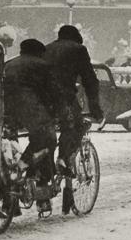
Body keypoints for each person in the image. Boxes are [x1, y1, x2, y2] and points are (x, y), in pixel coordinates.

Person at [3, 38, 58, 213]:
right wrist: (56, 112)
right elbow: (51, 93)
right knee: (47, 140)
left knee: (7, 146)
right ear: (39, 52)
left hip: (5, 109)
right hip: (30, 109)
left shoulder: (8, 64)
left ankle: (9, 195)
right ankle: (26, 167)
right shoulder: (43, 66)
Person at [43, 24, 104, 177]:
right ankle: (63, 158)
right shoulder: (78, 50)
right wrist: (95, 107)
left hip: (42, 98)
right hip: (63, 96)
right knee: (75, 125)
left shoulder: (47, 48)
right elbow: (90, 80)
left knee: (43, 131)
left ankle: (44, 166)